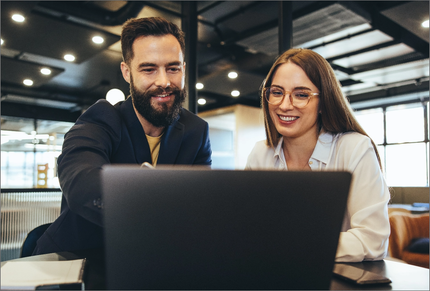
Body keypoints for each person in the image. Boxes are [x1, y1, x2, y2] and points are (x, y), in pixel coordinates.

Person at [33, 17, 212, 255]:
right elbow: (82, 184)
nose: (164, 81)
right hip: (80, 260)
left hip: (157, 262)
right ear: (127, 73)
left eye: (173, 68)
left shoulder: (196, 130)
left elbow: (203, 203)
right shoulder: (100, 120)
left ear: (184, 69)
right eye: (149, 69)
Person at [246, 48, 390, 262]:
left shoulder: (354, 148)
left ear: (323, 102)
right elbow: (248, 229)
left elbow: (372, 240)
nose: (285, 105)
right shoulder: (261, 153)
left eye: (301, 95)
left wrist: (292, 244)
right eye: (277, 92)